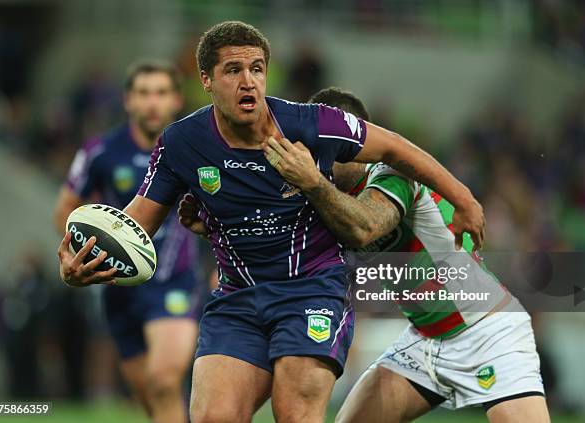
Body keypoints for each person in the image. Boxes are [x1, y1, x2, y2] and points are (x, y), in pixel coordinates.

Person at [57, 21, 485, 423]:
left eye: (257, 69)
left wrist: (462, 198)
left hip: (310, 290)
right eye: (233, 70)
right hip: (237, 298)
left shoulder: (309, 124)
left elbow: (395, 147)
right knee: (213, 418)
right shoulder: (180, 144)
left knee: (295, 413)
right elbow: (134, 226)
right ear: (205, 79)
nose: (248, 81)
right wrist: (86, 259)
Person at [254, 86, 549, 423]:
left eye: (324, 144)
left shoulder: (392, 174)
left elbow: (364, 226)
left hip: (487, 332)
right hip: (424, 341)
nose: (315, 154)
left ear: (352, 142)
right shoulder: (325, 193)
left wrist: (311, 184)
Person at [54, 60, 205, 423]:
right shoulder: (101, 152)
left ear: (176, 100)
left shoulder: (195, 151)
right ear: (128, 101)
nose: (152, 102)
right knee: (150, 400)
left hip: (176, 281)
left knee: (164, 381)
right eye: (143, 93)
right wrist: (76, 253)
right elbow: (66, 210)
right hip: (118, 287)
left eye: (161, 93)